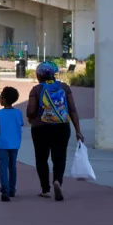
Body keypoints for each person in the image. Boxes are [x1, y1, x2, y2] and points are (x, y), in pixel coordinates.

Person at [26, 62, 84, 201]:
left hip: (41, 128)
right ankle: (57, 180)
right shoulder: (64, 87)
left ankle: (45, 189)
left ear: (39, 75)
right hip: (62, 127)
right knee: (60, 157)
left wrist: (31, 118)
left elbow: (31, 111)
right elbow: (72, 110)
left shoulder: (36, 90)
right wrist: (78, 131)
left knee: (41, 158)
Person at [0, 86, 23, 202]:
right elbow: (20, 127)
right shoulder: (18, 113)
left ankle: (4, 189)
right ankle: (12, 189)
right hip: (15, 144)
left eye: (0, 97)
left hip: (2, 144)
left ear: (4, 100)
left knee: (3, 167)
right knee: (12, 166)